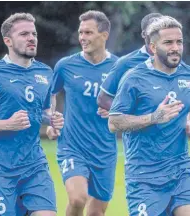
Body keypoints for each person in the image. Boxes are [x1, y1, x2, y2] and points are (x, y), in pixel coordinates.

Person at [108, 16, 190, 216]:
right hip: (144, 178)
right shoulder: (134, 78)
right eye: (168, 42)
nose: (175, 47)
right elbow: (114, 123)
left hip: (181, 172)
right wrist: (154, 117)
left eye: (179, 42)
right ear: (153, 47)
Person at [0, 13, 64, 216]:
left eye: (33, 33)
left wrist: (52, 120)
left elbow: (42, 111)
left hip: (35, 165)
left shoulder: (45, 73)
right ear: (7, 41)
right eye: (24, 34)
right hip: (0, 168)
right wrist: (7, 124)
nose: (31, 38)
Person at [46, 10, 118, 216]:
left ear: (104, 35)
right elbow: (51, 94)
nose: (82, 38)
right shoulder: (65, 66)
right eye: (81, 32)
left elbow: (131, 103)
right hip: (72, 146)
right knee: (78, 198)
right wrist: (52, 121)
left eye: (88, 32)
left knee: (96, 213)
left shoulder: (118, 68)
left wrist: (115, 112)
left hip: (105, 150)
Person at [97, 13, 163, 111]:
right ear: (144, 34)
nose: (157, 34)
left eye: (160, 30)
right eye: (153, 30)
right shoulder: (126, 63)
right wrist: (130, 119)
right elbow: (103, 98)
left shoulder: (175, 63)